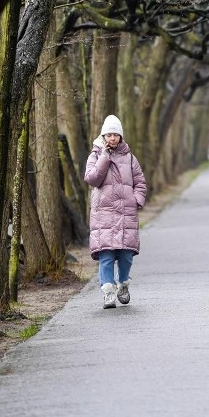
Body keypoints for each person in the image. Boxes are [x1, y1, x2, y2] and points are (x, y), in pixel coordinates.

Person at [84, 114, 147, 309]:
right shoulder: (95, 155)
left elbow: (140, 182)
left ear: (120, 137)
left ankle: (123, 285)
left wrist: (136, 200)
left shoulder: (129, 158)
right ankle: (108, 292)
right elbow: (92, 179)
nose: (112, 138)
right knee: (107, 255)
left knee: (126, 255)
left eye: (115, 134)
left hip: (126, 214)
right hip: (103, 215)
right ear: (103, 136)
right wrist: (104, 156)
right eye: (109, 134)